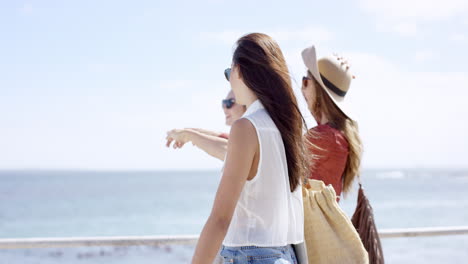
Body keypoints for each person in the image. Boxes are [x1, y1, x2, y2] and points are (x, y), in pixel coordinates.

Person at [191, 33, 308, 264]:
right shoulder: (287, 126)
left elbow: (220, 219)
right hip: (286, 255)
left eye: (228, 73)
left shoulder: (246, 127)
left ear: (239, 71)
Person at [301, 45, 363, 201]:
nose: (302, 89)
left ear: (319, 89)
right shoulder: (338, 135)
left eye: (306, 81)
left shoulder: (324, 137)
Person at [165, 90, 246, 161]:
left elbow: (234, 154)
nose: (224, 108)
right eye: (224, 103)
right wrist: (193, 132)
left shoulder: (253, 136)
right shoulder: (246, 135)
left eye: (229, 103)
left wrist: (189, 135)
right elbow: (228, 140)